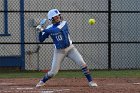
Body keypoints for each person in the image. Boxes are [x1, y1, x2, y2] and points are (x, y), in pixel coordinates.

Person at [36, 9, 97, 88]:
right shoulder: (49, 28)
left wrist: (43, 29)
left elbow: (56, 30)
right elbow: (41, 40)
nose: (58, 17)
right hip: (59, 51)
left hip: (70, 49)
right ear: (51, 19)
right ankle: (42, 81)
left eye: (58, 15)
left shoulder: (64, 23)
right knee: (53, 72)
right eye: (55, 16)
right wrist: (40, 31)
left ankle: (91, 82)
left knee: (82, 64)